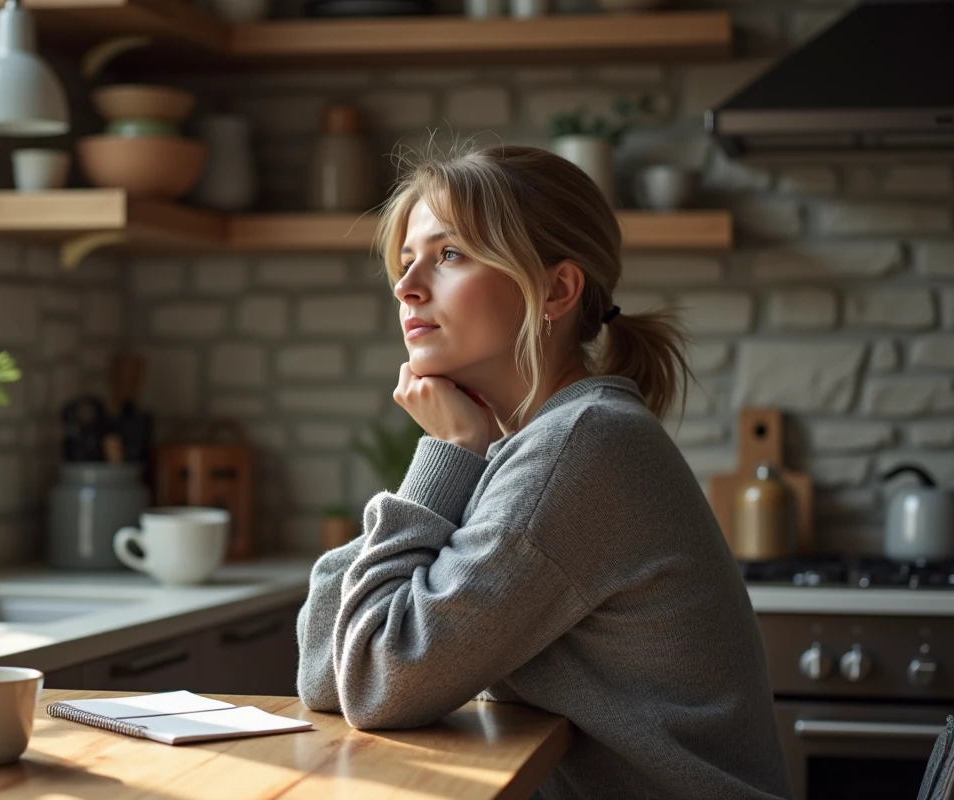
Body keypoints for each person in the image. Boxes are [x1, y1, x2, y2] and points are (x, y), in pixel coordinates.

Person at [295, 144, 792, 799]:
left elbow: (371, 678)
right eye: (406, 259)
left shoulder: (579, 447)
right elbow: (326, 670)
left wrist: (446, 454)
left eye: (448, 255)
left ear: (557, 289)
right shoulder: (530, 444)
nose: (406, 285)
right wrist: (455, 454)